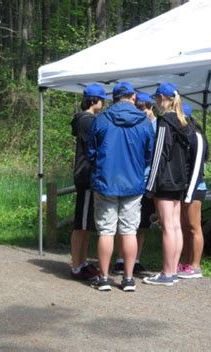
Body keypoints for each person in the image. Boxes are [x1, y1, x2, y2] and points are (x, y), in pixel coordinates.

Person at [88, 82, 154, 292]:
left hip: (106, 181)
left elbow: (91, 152)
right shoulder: (143, 122)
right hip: (133, 183)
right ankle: (128, 279)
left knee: (106, 231)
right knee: (129, 231)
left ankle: (105, 278)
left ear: (114, 97)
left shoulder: (101, 119)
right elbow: (149, 154)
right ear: (133, 97)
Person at [143, 82, 191, 287]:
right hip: (179, 182)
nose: (155, 102)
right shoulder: (183, 123)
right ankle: (173, 269)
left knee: (167, 228)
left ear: (163, 99)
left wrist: (150, 186)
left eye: (156, 99)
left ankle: (167, 272)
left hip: (165, 182)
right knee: (176, 226)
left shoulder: (165, 122)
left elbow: (158, 155)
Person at [112, 91, 156, 276]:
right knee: (121, 223)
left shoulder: (158, 125)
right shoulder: (134, 122)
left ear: (151, 107)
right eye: (138, 108)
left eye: (143, 108)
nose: (141, 111)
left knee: (142, 224)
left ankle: (135, 259)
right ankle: (120, 259)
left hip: (147, 181)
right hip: (131, 179)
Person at [69, 83, 107, 280]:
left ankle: (82, 261)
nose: (103, 104)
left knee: (86, 224)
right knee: (81, 224)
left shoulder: (87, 120)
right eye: (102, 100)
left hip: (88, 176)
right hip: (86, 176)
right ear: (94, 101)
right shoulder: (88, 121)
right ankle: (76, 264)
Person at [178, 103, 208, 279]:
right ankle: (186, 262)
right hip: (184, 188)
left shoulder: (196, 136)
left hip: (195, 188)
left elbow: (197, 168)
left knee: (194, 226)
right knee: (184, 227)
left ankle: (196, 265)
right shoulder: (183, 135)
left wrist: (189, 193)